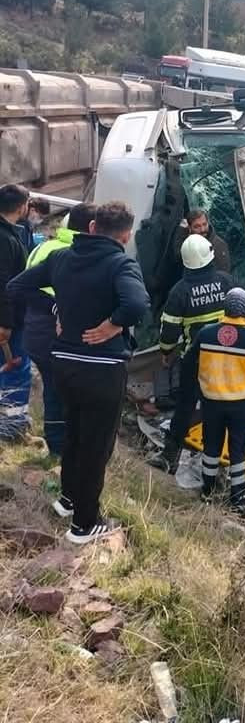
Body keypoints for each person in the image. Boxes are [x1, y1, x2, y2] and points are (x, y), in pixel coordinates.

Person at [8, 201, 150, 544]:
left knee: (74, 432)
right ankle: (85, 524)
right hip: (102, 368)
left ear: (91, 228)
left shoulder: (60, 257)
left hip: (65, 364)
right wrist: (112, 325)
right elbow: (136, 305)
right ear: (126, 235)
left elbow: (17, 286)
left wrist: (54, 306)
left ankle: (68, 500)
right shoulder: (121, 264)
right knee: (96, 445)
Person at [187, 287, 245, 515]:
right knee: (238, 449)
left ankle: (207, 491)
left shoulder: (205, 333)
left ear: (225, 309)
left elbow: (189, 362)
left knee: (211, 446)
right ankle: (238, 499)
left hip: (211, 402)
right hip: (241, 404)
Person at [148, 234, 233, 473]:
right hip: (226, 356)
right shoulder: (226, 281)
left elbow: (169, 329)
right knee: (220, 404)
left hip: (195, 359)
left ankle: (170, 456)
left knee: (185, 406)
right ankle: (215, 462)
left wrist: (166, 352)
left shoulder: (179, 291)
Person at [21, 204, 97, 457]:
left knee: (54, 388)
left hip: (34, 330)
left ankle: (57, 444)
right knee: (60, 390)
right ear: (91, 228)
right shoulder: (71, 254)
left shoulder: (46, 246)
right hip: (52, 332)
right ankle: (59, 447)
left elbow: (22, 288)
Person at [0, 184, 32, 429]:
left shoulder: (10, 233)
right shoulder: (6, 239)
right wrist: (6, 323)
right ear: (23, 207)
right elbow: (4, 284)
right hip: (10, 319)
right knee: (16, 367)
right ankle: (12, 426)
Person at [173, 208, 230, 273]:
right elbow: (178, 257)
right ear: (189, 228)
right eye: (197, 226)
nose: (202, 229)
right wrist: (182, 231)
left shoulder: (218, 245)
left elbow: (223, 274)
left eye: (204, 224)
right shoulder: (187, 243)